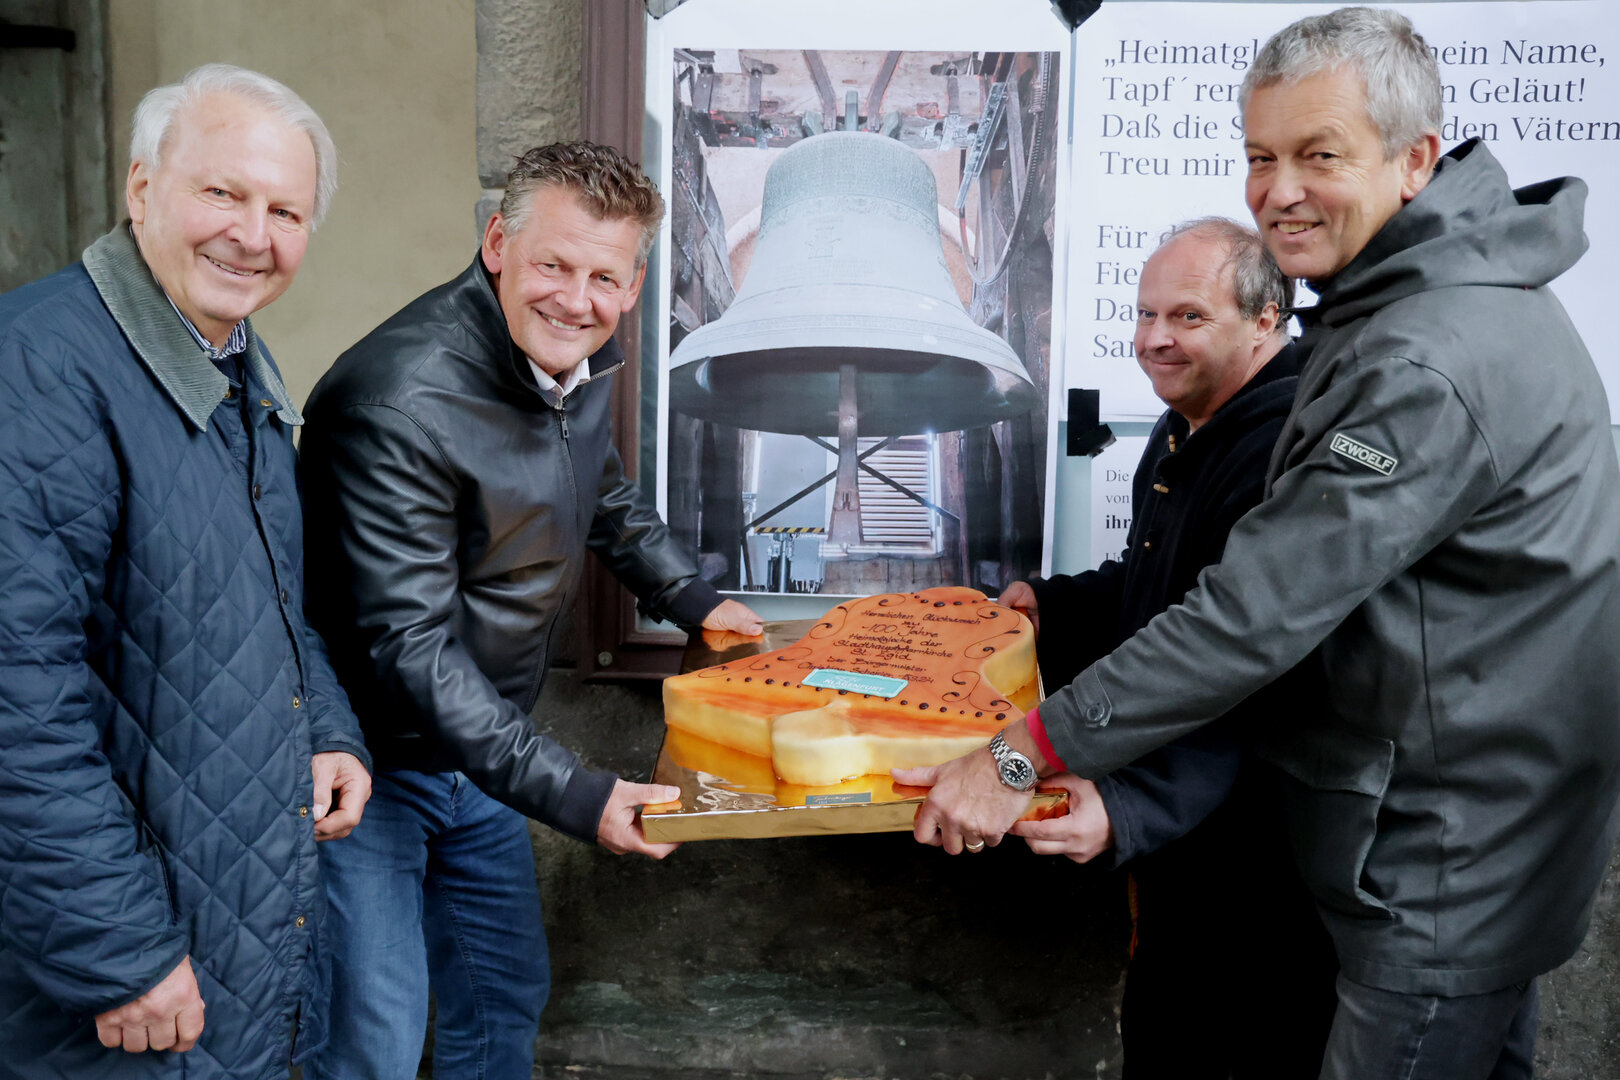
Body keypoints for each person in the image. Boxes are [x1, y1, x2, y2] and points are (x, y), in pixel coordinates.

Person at [902, 8, 1620, 1079]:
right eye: (1260, 156)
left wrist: (1019, 755)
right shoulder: (1404, 309)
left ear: (1416, 159)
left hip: (1436, 864)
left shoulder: (1426, 358)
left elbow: (1250, 617)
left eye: (1319, 155)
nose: (1280, 189)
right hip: (1462, 839)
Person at [299, 140, 763, 1078]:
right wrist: (580, 794)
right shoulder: (396, 403)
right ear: (498, 243)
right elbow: (409, 649)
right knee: (373, 1041)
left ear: (634, 286)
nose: (576, 298)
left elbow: (602, 488)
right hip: (370, 761)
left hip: (483, 756)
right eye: (553, 263)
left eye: (604, 276)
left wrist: (697, 601)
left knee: (501, 1005)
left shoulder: (575, 354)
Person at [0, 65, 371, 1077]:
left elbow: (266, 600)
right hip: (124, 976)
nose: (254, 235)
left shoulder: (236, 358)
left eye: (285, 210)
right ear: (140, 188)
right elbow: (17, 704)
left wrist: (328, 726)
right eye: (223, 193)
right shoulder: (38, 371)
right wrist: (117, 955)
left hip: (232, 939)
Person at [1000, 218, 1335, 1078]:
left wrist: (1130, 804)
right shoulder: (1189, 421)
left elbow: (1241, 659)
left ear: (1266, 319)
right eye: (1146, 314)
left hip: (1266, 868)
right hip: (1185, 856)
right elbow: (1156, 592)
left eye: (1187, 317)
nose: (1154, 339)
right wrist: (1050, 605)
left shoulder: (1283, 449)